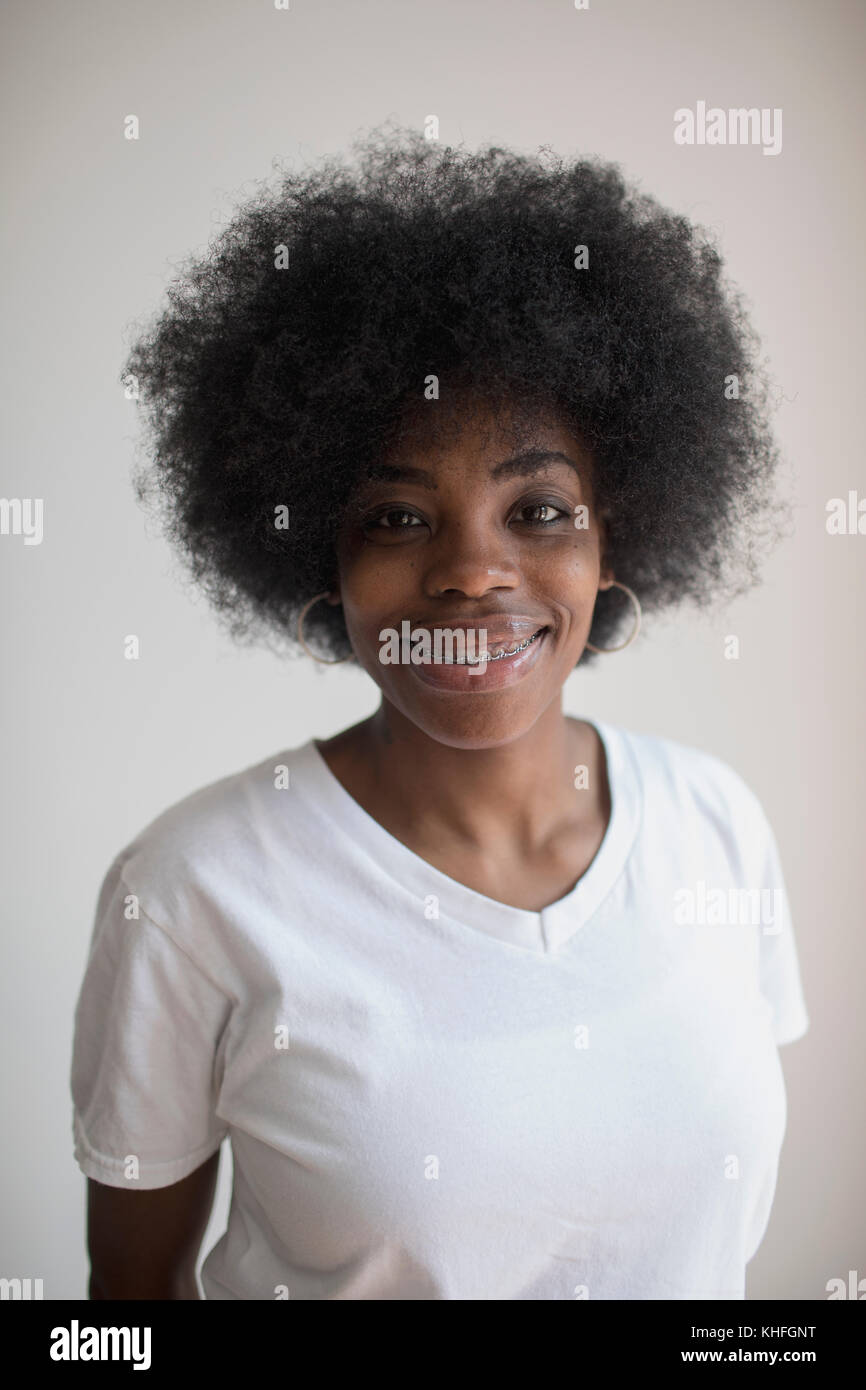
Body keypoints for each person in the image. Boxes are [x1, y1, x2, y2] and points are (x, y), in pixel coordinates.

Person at [71, 122, 808, 1300]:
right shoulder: (195, 886)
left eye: (539, 511)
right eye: (400, 517)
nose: (473, 572)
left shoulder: (714, 826)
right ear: (319, 555)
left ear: (619, 533)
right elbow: (126, 1318)